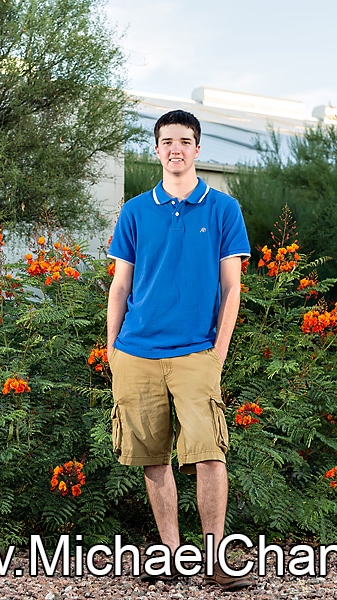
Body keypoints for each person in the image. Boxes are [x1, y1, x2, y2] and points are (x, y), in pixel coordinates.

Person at [106, 109, 251, 591]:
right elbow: (120, 286)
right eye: (167, 141)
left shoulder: (223, 210)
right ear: (156, 150)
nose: (176, 149)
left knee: (210, 455)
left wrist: (218, 354)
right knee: (154, 458)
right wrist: (112, 350)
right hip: (136, 351)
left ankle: (215, 561)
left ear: (197, 149)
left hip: (196, 353)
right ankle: (172, 556)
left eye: (185, 141)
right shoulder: (134, 211)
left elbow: (231, 289)